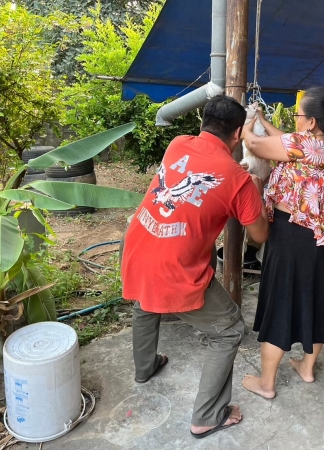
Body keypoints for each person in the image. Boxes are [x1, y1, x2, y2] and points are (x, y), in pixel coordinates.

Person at [121, 95, 269, 439]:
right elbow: (260, 235)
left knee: (145, 302)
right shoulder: (238, 179)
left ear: (203, 121)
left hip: (137, 246)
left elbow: (199, 179)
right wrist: (254, 189)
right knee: (229, 329)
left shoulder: (178, 143)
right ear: (237, 135)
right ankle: (208, 415)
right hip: (173, 267)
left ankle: (145, 368)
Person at [240, 87, 324, 399]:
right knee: (319, 300)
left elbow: (255, 145)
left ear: (312, 122)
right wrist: (265, 121)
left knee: (281, 303)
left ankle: (266, 384)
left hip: (294, 236)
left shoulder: (302, 145)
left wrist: (249, 123)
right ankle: (307, 368)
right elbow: (290, 143)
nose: (296, 119)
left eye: (299, 115)